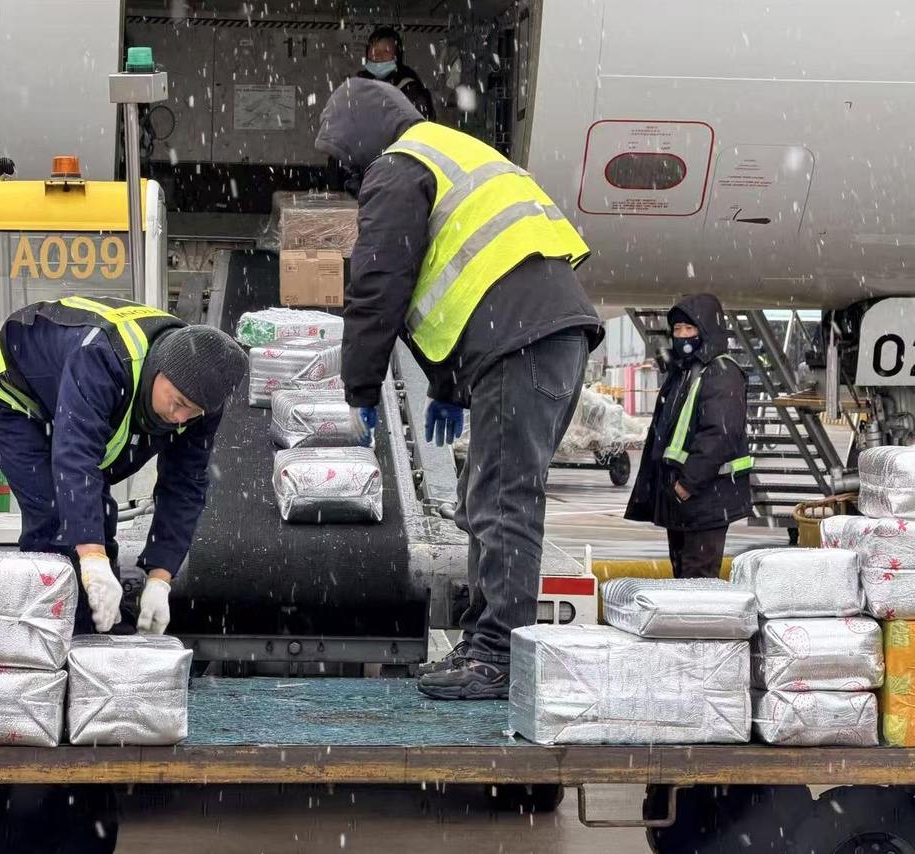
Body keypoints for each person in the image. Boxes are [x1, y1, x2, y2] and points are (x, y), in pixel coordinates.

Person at [314, 78, 602, 700]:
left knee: (503, 500)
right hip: (545, 336)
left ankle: (498, 656)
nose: (348, 176)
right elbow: (467, 276)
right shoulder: (454, 151)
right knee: (488, 499)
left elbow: (380, 282)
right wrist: (448, 386)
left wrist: (360, 386)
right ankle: (484, 642)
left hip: (521, 343)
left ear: (360, 138)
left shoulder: (398, 168)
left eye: (344, 161)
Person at [0, 295, 247, 635]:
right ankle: (51, 633)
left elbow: (185, 485)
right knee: (54, 515)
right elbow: (76, 459)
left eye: (193, 412)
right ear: (159, 369)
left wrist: (161, 578)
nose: (180, 418)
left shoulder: (201, 401)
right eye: (177, 403)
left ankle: (101, 626)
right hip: (13, 394)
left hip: (70, 392)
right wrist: (92, 558)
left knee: (95, 521)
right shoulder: (103, 359)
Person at [626, 294, 753, 578]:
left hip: (704, 498)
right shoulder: (685, 371)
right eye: (677, 329)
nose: (682, 336)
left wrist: (687, 484)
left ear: (705, 330)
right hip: (684, 502)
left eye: (690, 328)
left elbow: (720, 435)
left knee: (697, 582)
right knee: (684, 578)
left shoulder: (721, 372)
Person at [357, 26, 436, 122]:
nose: (378, 56)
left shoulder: (411, 89)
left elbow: (420, 124)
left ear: (396, 55)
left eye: (386, 51)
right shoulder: (359, 85)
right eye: (374, 50)